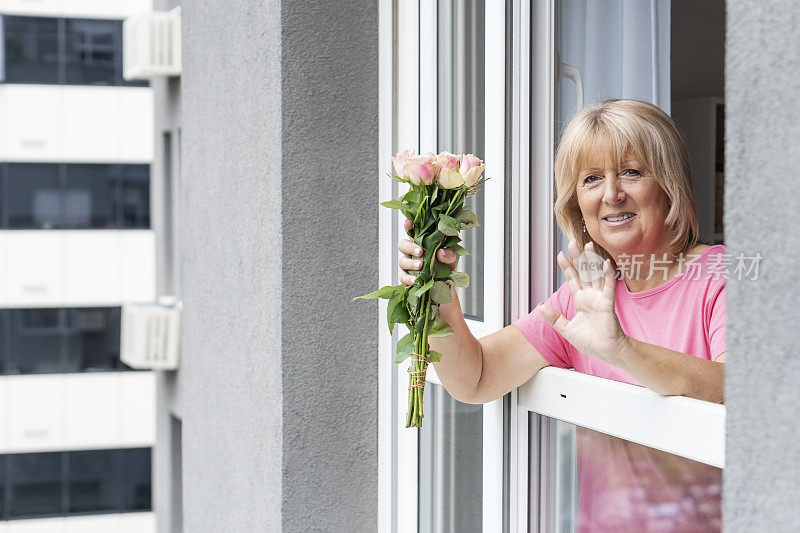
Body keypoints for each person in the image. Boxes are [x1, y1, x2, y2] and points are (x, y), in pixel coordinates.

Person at [398, 99, 725, 531]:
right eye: (592, 179)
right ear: (579, 207)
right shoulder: (584, 297)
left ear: (669, 186)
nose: (611, 194)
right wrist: (437, 291)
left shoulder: (717, 276)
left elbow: (732, 389)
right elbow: (475, 378)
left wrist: (622, 351)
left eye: (631, 171)